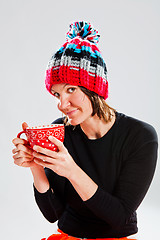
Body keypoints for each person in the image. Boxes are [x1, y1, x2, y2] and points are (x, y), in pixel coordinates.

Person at [12, 21, 158, 240]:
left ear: (95, 89)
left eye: (71, 89)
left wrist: (71, 170)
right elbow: (53, 214)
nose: (62, 104)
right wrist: (36, 167)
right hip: (67, 235)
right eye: (57, 94)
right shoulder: (60, 131)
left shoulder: (140, 136)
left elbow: (119, 217)